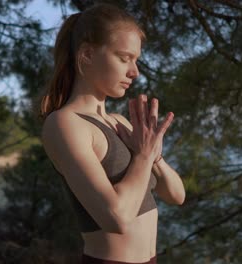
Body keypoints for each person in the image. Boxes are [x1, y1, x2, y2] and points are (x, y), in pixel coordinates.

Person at [40, 3, 185, 264]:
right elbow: (115, 218)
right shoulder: (65, 124)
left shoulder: (120, 122)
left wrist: (154, 155)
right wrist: (142, 157)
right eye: (124, 58)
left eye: (136, 60)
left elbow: (176, 195)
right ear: (87, 54)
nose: (135, 71)